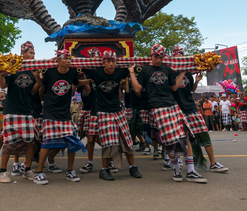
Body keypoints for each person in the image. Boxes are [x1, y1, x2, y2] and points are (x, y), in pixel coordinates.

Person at [130, 43, 206, 183]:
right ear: (151, 56)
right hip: (157, 107)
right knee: (170, 139)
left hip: (172, 104)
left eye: (160, 57)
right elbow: (137, 89)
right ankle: (176, 168)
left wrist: (183, 71)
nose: (158, 60)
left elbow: (174, 87)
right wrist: (131, 72)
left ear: (164, 57)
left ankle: (190, 171)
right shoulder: (145, 70)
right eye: (155, 57)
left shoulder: (167, 68)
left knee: (185, 134)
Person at [83, 51, 142, 181]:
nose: (111, 64)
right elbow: (78, 65)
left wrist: (131, 69)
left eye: (113, 61)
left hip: (117, 109)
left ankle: (132, 167)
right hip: (103, 111)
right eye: (108, 61)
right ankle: (104, 170)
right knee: (108, 142)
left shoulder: (120, 72)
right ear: (103, 62)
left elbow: (135, 64)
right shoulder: (97, 73)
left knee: (127, 139)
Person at [34, 49, 86, 185]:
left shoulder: (73, 73)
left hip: (65, 112)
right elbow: (42, 88)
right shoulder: (50, 73)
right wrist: (36, 76)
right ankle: (39, 172)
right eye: (66, 58)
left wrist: (88, 79)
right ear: (58, 60)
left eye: (70, 59)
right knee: (47, 142)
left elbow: (75, 85)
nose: (69, 61)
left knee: (72, 142)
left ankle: (70, 171)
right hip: (50, 112)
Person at [0, 41, 41, 183]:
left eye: (34, 53)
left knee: (30, 142)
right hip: (11, 111)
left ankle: (27, 170)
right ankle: (2, 172)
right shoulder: (14, 66)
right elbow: (3, 85)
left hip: (27, 110)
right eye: (30, 53)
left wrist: (37, 77)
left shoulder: (34, 69)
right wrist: (2, 73)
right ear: (23, 53)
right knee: (9, 143)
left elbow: (33, 92)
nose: (33, 55)